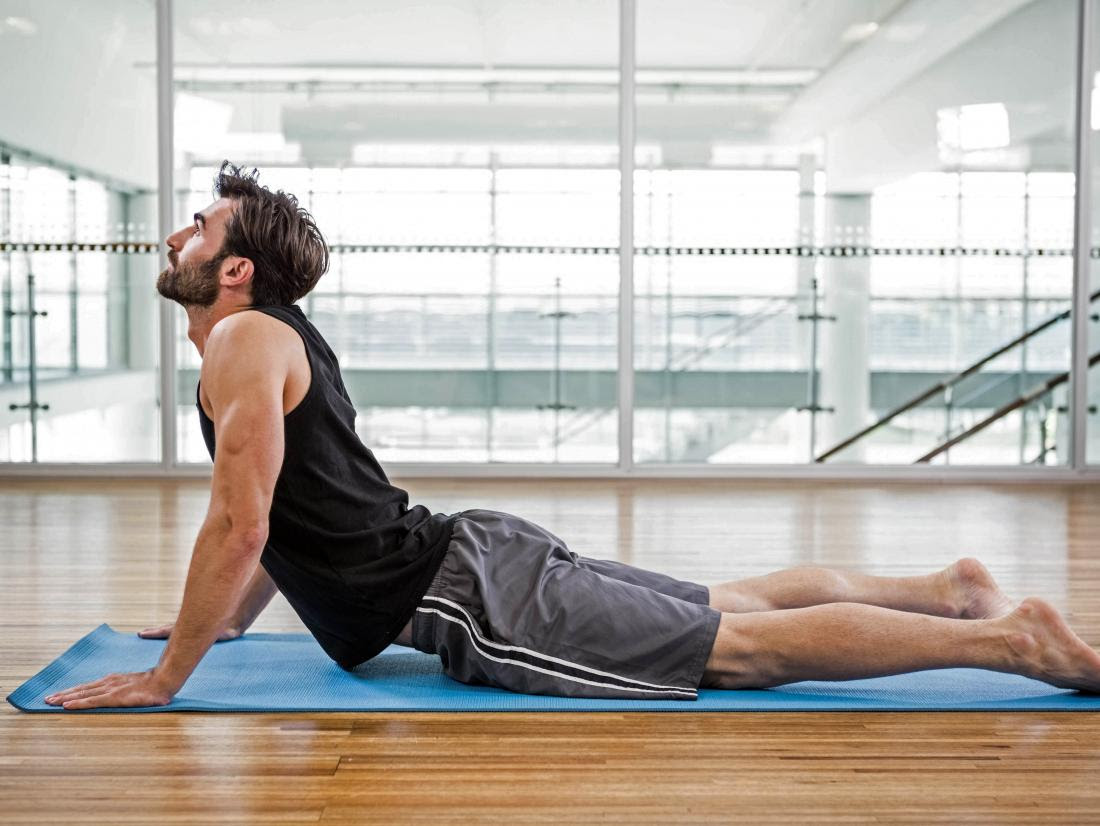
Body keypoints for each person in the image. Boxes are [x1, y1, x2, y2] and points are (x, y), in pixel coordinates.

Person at [45, 162, 1100, 709]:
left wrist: (167, 676)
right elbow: (281, 515)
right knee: (723, 602)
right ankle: (942, 589)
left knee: (735, 651)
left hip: (468, 594)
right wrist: (226, 627)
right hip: (471, 555)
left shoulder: (237, 342)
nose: (179, 229)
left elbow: (240, 518)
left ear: (233, 270)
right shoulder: (264, 338)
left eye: (200, 222)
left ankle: (1008, 642)